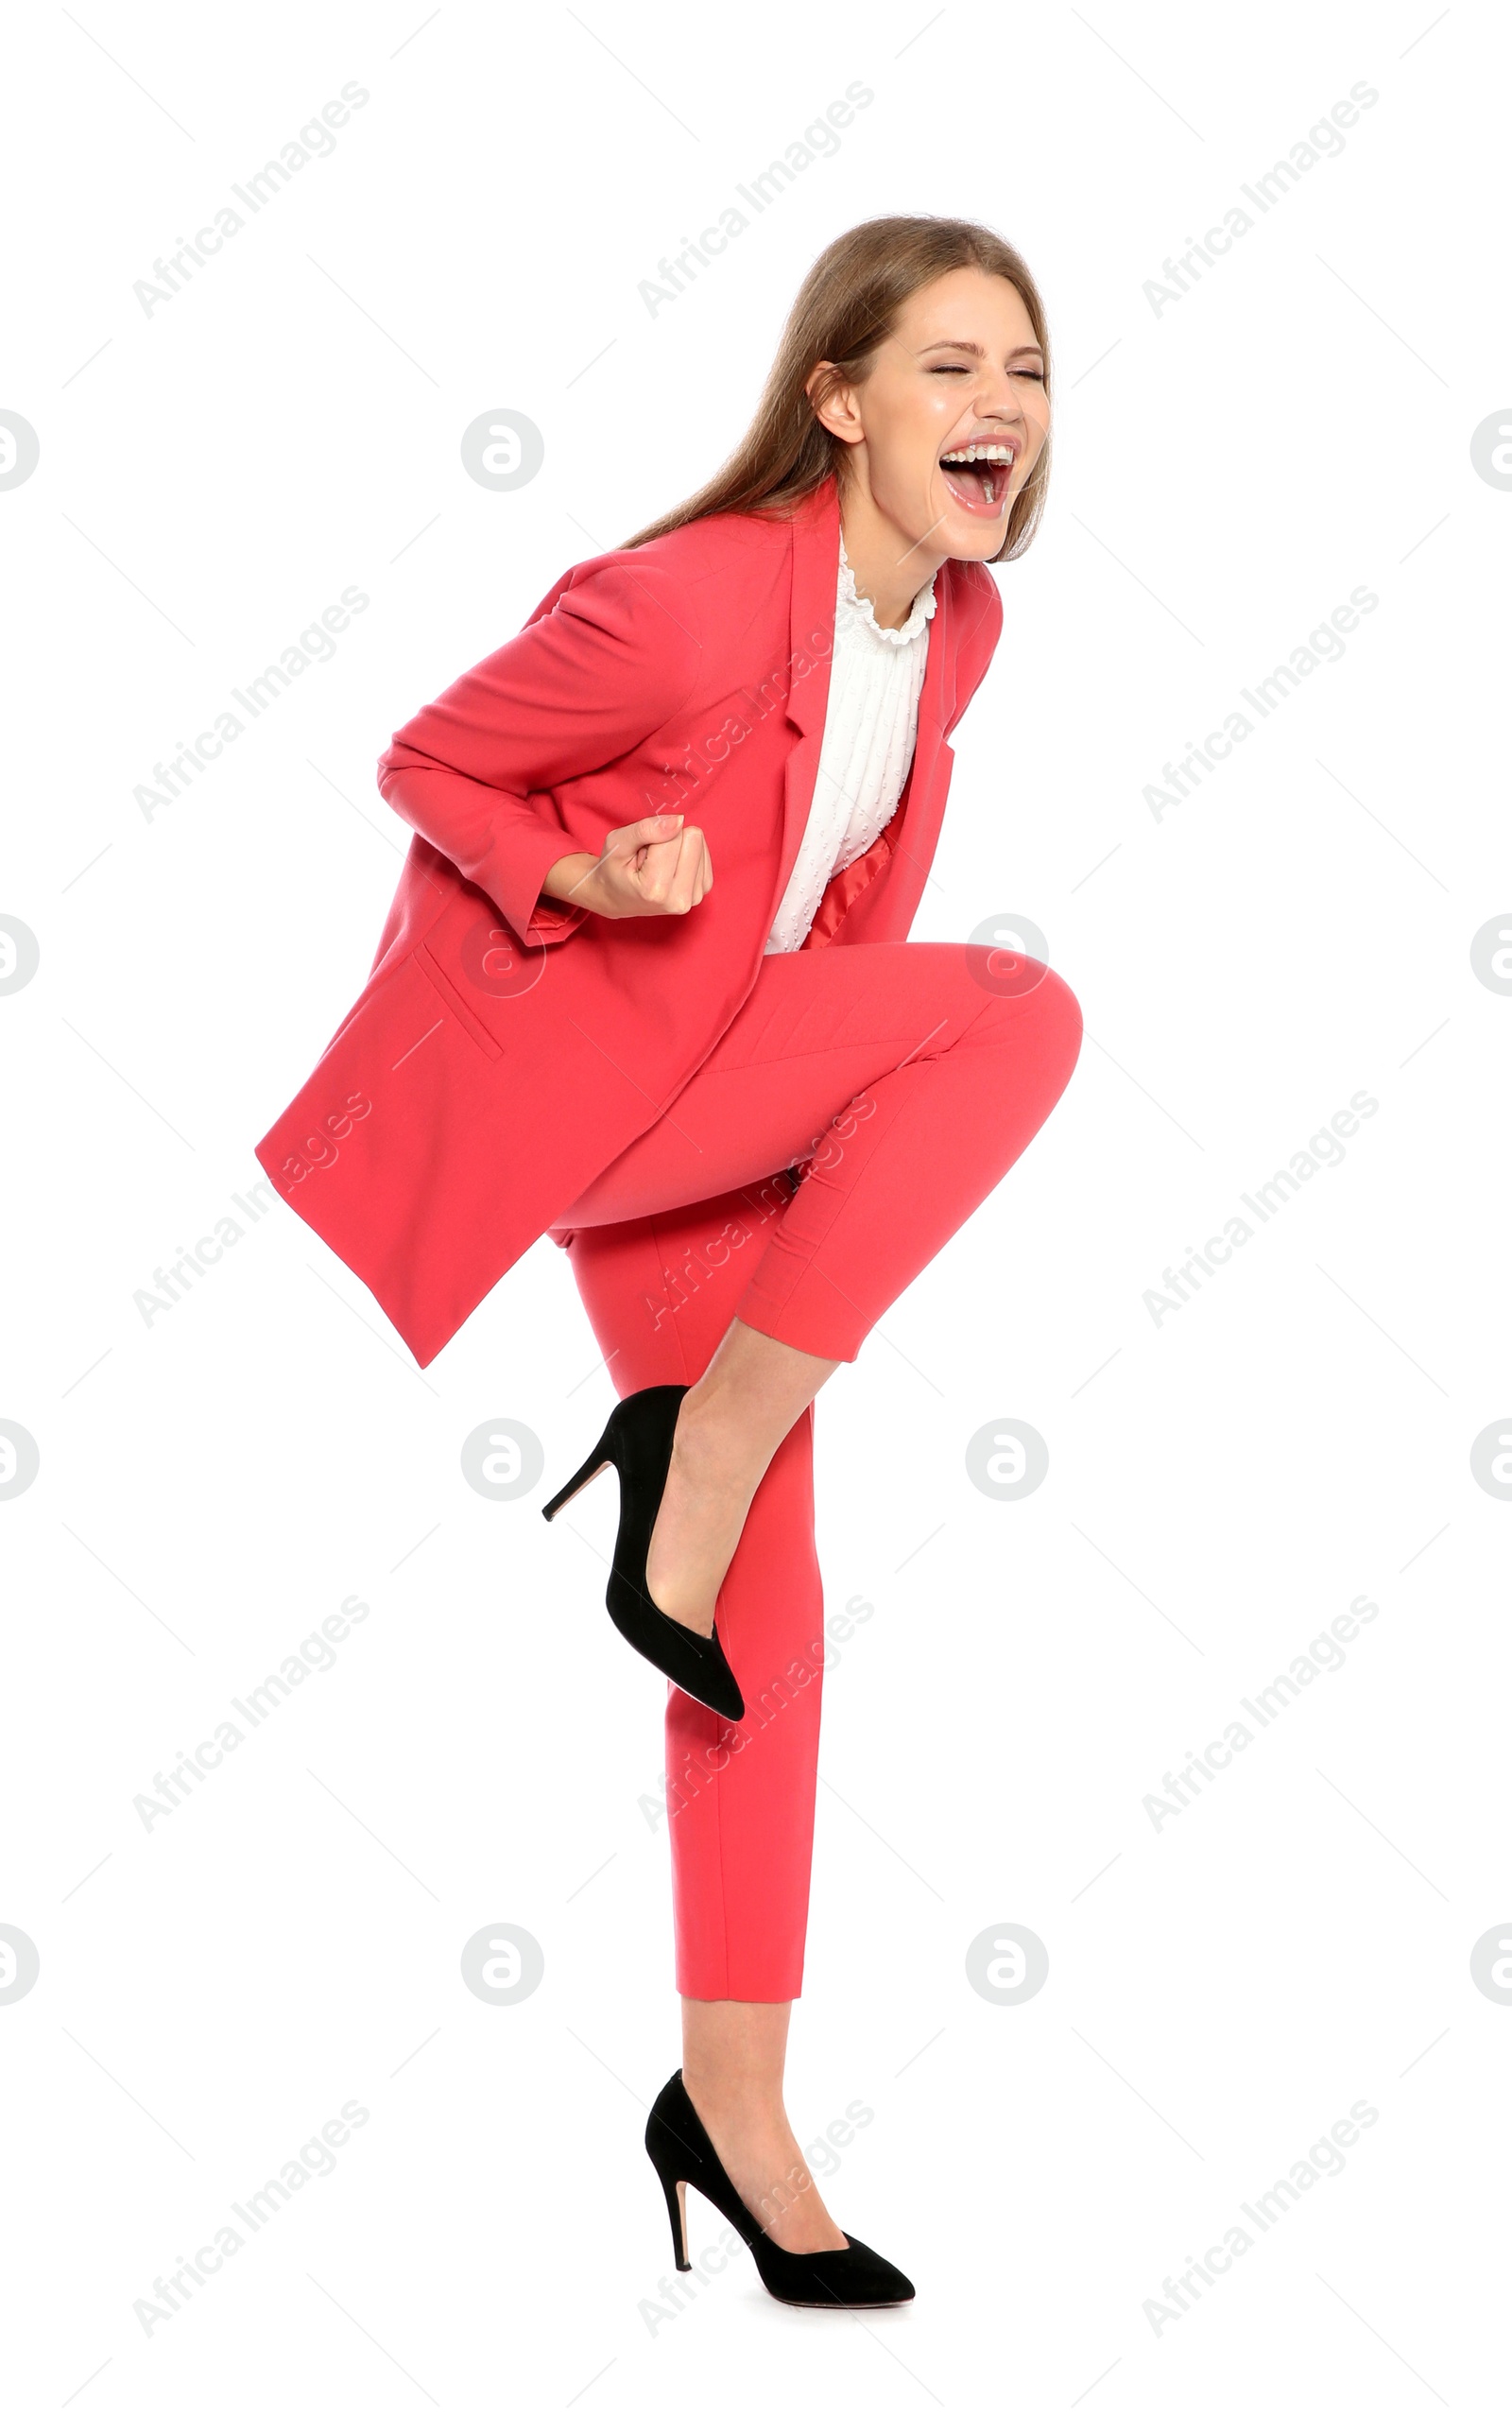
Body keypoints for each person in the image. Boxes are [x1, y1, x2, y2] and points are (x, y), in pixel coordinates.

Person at [255, 215, 1083, 2310]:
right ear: (836, 398)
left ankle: (730, 2103)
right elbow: (426, 755)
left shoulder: (958, 626)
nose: (996, 408)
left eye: (1027, 372)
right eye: (947, 368)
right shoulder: (695, 595)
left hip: (723, 1094)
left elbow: (857, 913)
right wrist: (577, 861)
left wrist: (835, 1147)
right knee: (1017, 1015)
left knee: (761, 1622)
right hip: (581, 1084)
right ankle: (688, 1453)